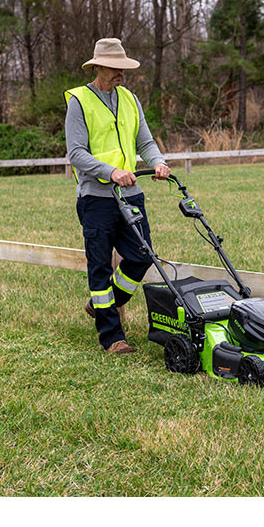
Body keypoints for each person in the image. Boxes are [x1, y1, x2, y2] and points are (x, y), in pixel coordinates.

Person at [64, 38, 171, 354]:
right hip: (96, 199)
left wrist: (158, 161)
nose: (120, 73)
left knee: (142, 255)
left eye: (122, 68)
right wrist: (110, 172)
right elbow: (76, 153)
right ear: (97, 67)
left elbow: (145, 142)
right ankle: (112, 337)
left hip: (130, 195)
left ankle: (103, 305)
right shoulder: (79, 101)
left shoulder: (130, 99)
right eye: (114, 68)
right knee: (99, 267)